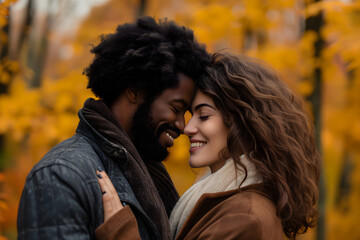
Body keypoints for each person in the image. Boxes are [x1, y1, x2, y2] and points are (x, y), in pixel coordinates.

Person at [17, 16, 210, 240]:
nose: (182, 125)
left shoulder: (149, 178)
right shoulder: (62, 175)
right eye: (176, 108)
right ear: (135, 90)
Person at [95, 52, 320, 240]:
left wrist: (120, 231)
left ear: (244, 125)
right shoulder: (228, 203)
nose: (187, 128)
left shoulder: (244, 218)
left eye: (203, 116)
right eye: (191, 115)